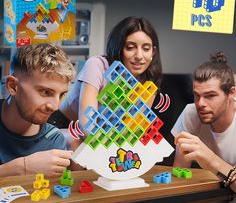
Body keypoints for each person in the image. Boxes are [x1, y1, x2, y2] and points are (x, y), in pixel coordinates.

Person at [49, 16, 162, 133]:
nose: (139, 55)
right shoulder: (97, 65)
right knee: (76, 142)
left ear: (153, 52)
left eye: (146, 49)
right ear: (119, 48)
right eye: (130, 48)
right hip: (64, 126)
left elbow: (135, 129)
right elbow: (88, 127)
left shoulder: (148, 82)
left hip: (102, 136)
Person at [0, 43, 76, 177]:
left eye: (61, 95)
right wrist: (23, 167)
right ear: (13, 86)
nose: (55, 106)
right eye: (46, 92)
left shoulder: (54, 141)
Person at [171, 52, 236, 192]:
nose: (200, 104)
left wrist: (211, 160)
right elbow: (179, 174)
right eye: (197, 95)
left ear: (232, 93)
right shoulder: (190, 113)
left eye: (210, 96)